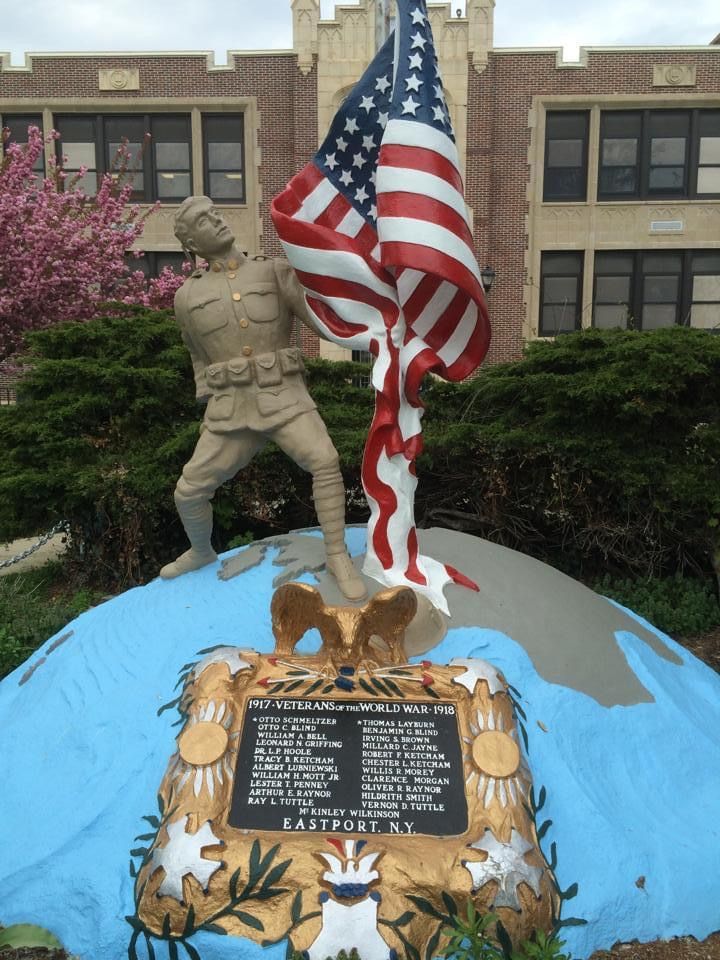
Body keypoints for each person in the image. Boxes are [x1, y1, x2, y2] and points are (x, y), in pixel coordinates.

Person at [159, 196, 366, 602]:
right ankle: (201, 551)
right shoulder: (186, 297)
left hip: (284, 397)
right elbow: (197, 354)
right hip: (230, 410)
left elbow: (321, 321)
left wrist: (373, 332)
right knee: (188, 491)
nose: (215, 221)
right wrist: (208, 395)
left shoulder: (273, 271)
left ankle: (338, 554)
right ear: (191, 243)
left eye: (214, 213)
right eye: (203, 221)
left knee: (324, 460)